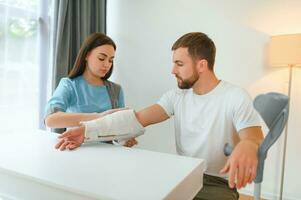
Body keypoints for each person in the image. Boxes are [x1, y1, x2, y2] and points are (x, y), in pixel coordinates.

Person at [55, 32, 264, 199]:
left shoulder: (234, 96)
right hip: (184, 175)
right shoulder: (176, 97)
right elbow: (135, 118)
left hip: (217, 182)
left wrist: (248, 145)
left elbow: (253, 136)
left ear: (202, 65)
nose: (172, 70)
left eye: (179, 64)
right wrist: (87, 131)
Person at [45, 32, 137, 147]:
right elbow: (50, 119)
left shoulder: (116, 90)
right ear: (87, 55)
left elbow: (119, 128)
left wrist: (124, 140)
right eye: (101, 58)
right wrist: (99, 117)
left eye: (110, 60)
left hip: (108, 153)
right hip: (76, 150)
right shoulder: (69, 85)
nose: (107, 65)